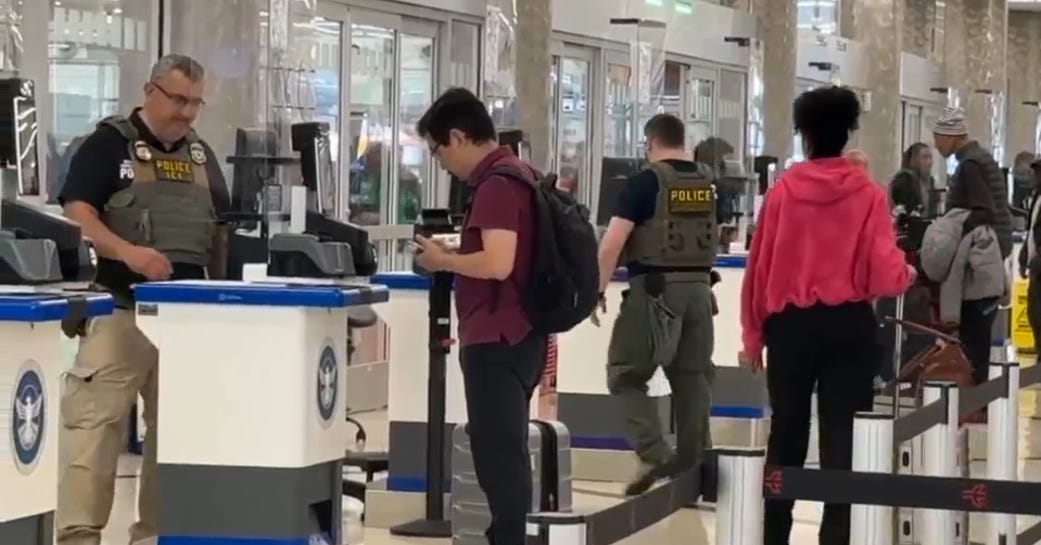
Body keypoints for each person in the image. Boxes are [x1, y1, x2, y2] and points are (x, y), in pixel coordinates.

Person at [55, 54, 232, 545]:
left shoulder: (201, 156)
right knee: (93, 430)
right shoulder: (108, 144)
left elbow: (223, 228)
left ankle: (156, 536)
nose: (188, 112)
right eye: (179, 99)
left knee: (175, 437)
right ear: (150, 90)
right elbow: (76, 214)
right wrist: (128, 252)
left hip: (186, 319)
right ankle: (78, 537)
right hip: (118, 308)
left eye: (196, 102)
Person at [740, 86, 914, 545]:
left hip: (791, 329)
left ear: (804, 135)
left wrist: (752, 335)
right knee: (843, 438)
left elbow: (759, 269)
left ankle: (774, 533)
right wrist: (908, 273)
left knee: (788, 431)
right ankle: (836, 536)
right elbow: (884, 273)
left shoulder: (782, 193)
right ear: (849, 131)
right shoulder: (868, 193)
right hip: (849, 327)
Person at [410, 87, 545, 545]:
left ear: (458, 137)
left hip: (498, 338)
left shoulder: (496, 185)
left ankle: (507, 538)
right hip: (520, 335)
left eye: (438, 150)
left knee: (499, 454)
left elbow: (497, 263)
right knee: (503, 450)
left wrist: (443, 261)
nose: (441, 161)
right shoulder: (520, 174)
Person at [593, 113, 718, 496]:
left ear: (650, 143)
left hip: (656, 291)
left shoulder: (645, 181)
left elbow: (613, 242)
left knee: (625, 374)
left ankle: (654, 453)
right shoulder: (708, 181)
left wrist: (596, 290)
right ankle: (696, 470)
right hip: (701, 292)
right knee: (692, 380)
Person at [932, 107, 1012, 383]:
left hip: (978, 264)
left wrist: (951, 234)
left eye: (938, 137)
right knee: (978, 339)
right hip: (990, 256)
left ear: (952, 136)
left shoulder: (970, 165)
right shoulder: (981, 159)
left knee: (973, 341)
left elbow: (983, 210)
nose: (936, 144)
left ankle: (971, 403)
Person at [1019, 158, 1041, 359]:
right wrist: (1024, 256)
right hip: (1036, 268)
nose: (1033, 177)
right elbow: (1031, 231)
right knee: (1034, 313)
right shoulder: (1037, 198)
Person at [890, 143, 935, 217]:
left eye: (930, 157)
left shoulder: (931, 181)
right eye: (925, 157)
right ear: (915, 159)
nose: (929, 162)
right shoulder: (904, 179)